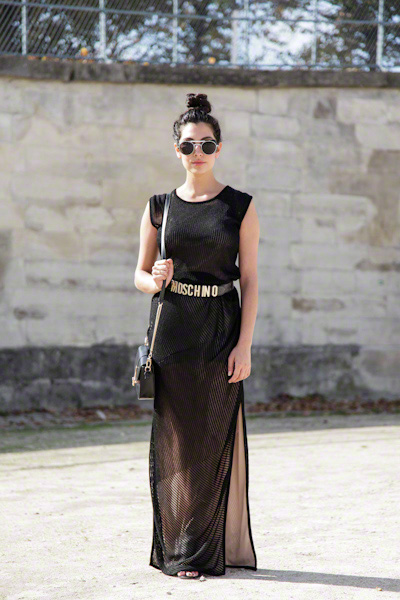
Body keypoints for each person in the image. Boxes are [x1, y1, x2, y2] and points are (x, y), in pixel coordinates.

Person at [134, 92, 260, 580]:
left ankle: (198, 546)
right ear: (177, 150)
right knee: (175, 441)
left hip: (221, 328)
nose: (198, 153)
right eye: (189, 146)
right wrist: (155, 279)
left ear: (218, 149)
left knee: (210, 438)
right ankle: (182, 549)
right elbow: (139, 275)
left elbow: (251, 281)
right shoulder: (159, 207)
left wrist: (244, 345)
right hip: (172, 331)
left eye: (207, 145)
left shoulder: (240, 207)